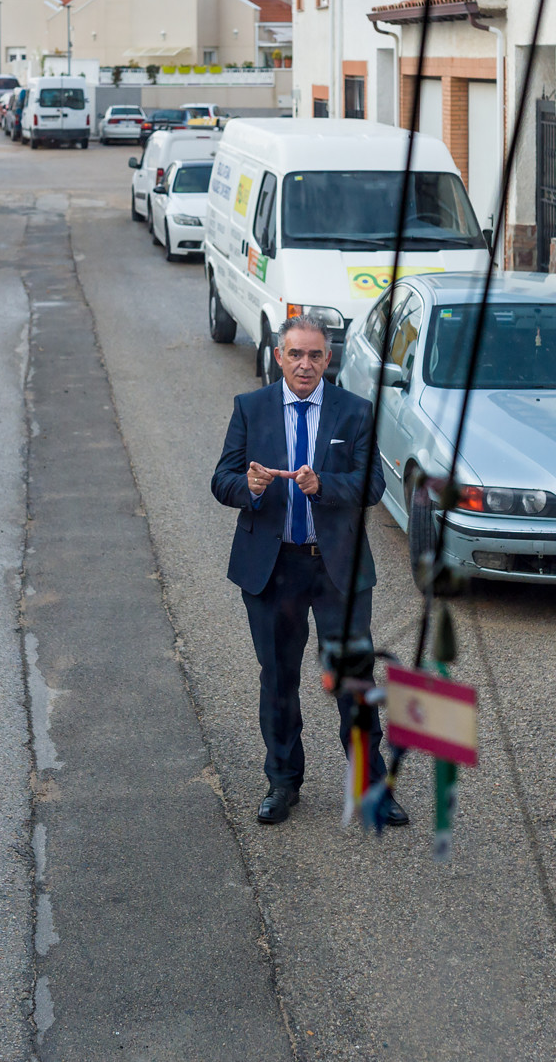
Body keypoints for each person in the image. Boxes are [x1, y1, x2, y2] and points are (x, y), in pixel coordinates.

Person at [210, 313, 409, 827]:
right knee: (278, 678)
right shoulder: (251, 408)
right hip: (273, 568)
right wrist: (249, 487)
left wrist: (324, 486)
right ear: (279, 356)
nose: (305, 364)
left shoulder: (355, 411)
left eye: (315, 355)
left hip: (336, 569)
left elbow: (372, 486)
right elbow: (222, 479)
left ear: (328, 359)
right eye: (295, 354)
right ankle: (282, 782)